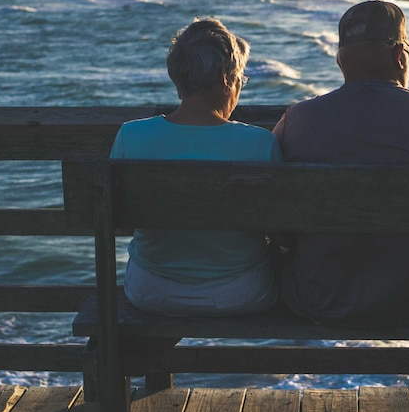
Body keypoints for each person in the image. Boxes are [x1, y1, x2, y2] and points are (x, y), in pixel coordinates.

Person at [273, 0, 409, 327]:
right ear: (400, 57)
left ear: (341, 62)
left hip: (319, 299)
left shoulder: (296, 120)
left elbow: (274, 218)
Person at [110, 18, 281, 316]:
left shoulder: (130, 135)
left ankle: (151, 363)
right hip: (241, 293)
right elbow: (280, 229)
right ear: (226, 78)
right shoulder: (260, 144)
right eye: (240, 78)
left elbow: (122, 222)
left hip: (150, 292)